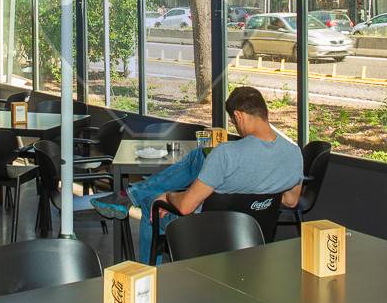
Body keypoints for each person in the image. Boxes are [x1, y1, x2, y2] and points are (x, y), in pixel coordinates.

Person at [92, 86, 304, 263]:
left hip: (205, 233)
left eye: (233, 121)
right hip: (252, 236)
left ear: (238, 116)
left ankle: (148, 277)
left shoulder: (226, 154)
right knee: (200, 157)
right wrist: (257, 193)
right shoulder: (294, 154)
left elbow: (185, 206)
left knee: (152, 205)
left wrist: (167, 197)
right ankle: (131, 195)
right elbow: (291, 200)